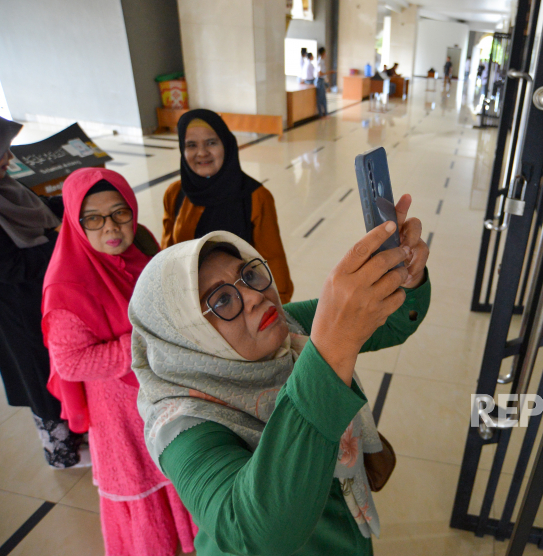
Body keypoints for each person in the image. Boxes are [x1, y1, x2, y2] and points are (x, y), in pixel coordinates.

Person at [130, 195, 431, 556]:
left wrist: (404, 278)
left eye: (249, 274)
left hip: (345, 528)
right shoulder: (181, 425)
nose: (255, 297)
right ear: (188, 339)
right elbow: (252, 532)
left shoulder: (286, 326)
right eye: (222, 300)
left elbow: (393, 321)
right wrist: (330, 354)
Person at [42, 167, 197, 556]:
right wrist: (146, 339)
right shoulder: (66, 284)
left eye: (120, 212)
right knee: (144, 487)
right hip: (119, 412)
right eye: (92, 218)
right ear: (76, 223)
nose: (110, 226)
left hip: (159, 393)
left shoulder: (139, 254)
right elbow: (72, 363)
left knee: (175, 470)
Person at [0, 116, 85, 468]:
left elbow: (41, 209)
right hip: (18, 310)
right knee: (39, 373)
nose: (6, 158)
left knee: (61, 365)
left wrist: (77, 199)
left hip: (44, 298)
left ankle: (78, 432)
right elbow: (11, 266)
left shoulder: (8, 188)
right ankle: (61, 452)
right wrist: (59, 243)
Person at [161, 109, 294, 303]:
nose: (202, 152)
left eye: (211, 142)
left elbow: (272, 259)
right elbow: (167, 254)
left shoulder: (256, 197)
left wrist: (280, 305)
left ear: (227, 144)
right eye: (191, 145)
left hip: (243, 304)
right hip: (191, 302)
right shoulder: (175, 194)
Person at [315, 47, 335, 116]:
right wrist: (329, 72)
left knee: (324, 98)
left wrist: (326, 78)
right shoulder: (319, 62)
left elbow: (323, 73)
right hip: (319, 81)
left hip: (322, 80)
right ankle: (321, 115)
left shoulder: (322, 61)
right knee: (320, 99)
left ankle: (326, 113)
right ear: (323, 53)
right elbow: (320, 73)